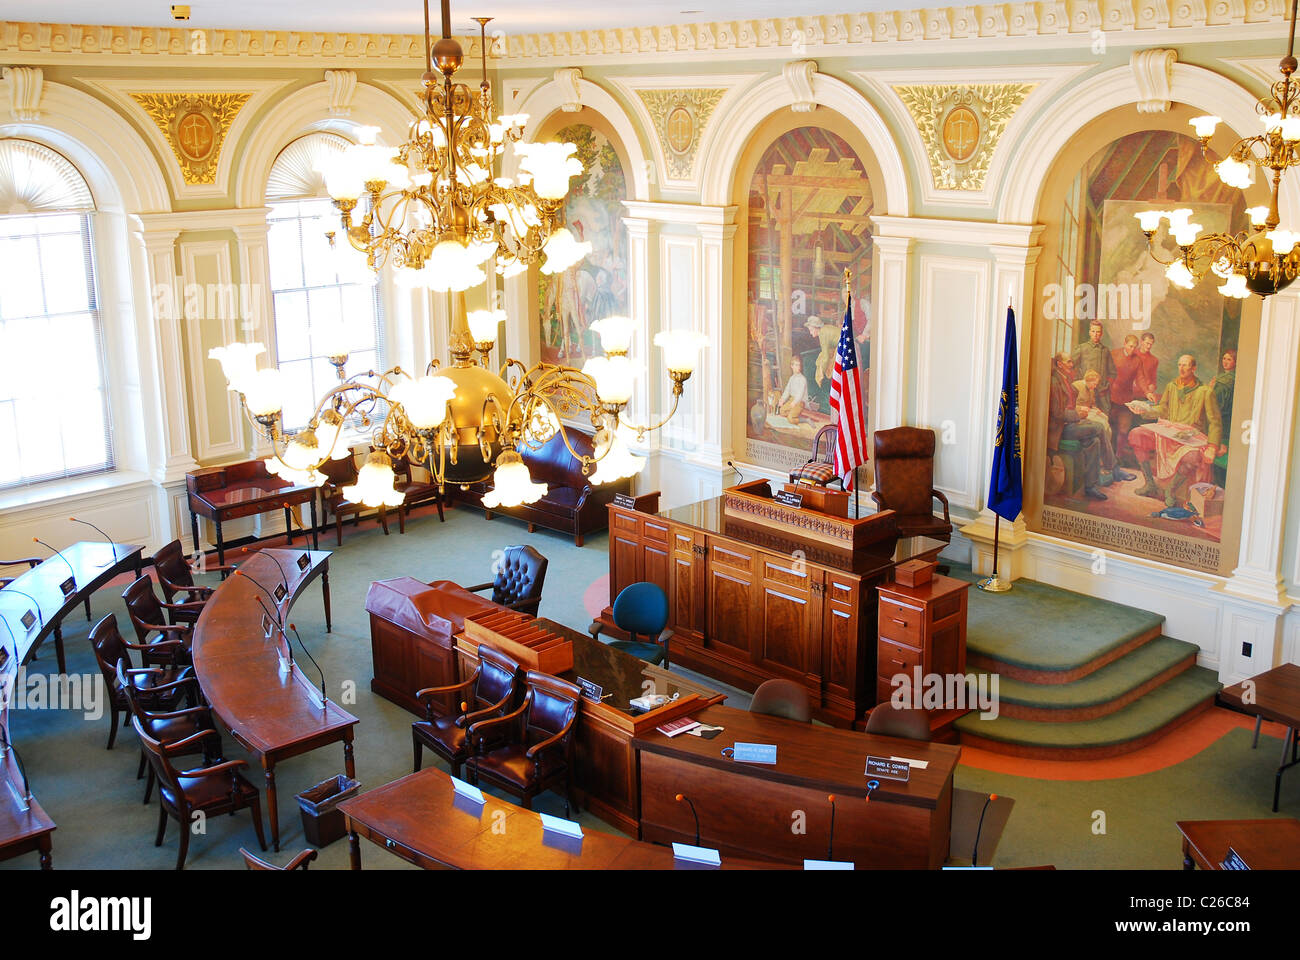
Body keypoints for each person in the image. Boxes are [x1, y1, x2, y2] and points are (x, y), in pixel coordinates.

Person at [1127, 354, 1225, 508]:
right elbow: (1163, 409)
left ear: (1194, 368)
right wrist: (1144, 411)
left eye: (1186, 365)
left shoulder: (1205, 391)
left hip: (1190, 437)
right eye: (1180, 364)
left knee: (1193, 457)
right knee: (1136, 434)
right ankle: (1150, 485)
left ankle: (1170, 490)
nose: (1182, 368)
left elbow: (1215, 422)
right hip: (1168, 431)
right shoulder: (1171, 386)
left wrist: (1212, 447)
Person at [1048, 353, 1108, 500]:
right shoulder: (1055, 382)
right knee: (1099, 428)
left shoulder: (1067, 380)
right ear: (1060, 364)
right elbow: (1056, 414)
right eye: (1068, 362)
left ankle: (1090, 487)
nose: (1071, 364)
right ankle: (1112, 467)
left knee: (1095, 441)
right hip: (1060, 429)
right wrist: (1077, 414)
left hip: (1072, 424)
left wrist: (1079, 413)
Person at [1073, 369, 1134, 483]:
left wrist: (1098, 411)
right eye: (1094, 384)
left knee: (1105, 421)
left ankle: (1104, 460)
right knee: (1101, 424)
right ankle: (1110, 465)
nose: (1095, 386)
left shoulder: (1091, 390)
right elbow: (1070, 406)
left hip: (1088, 412)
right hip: (1078, 415)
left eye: (1096, 384)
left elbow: (1092, 404)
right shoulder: (1076, 386)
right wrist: (1081, 408)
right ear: (1088, 380)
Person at [1109, 333, 1145, 466]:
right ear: (1125, 344)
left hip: (1126, 399)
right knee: (1111, 428)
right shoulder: (1114, 354)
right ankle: (1110, 457)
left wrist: (1147, 391)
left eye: (1135, 347)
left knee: (1124, 429)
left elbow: (1141, 378)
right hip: (1111, 397)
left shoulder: (1137, 360)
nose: (1132, 349)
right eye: (1130, 346)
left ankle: (1118, 455)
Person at [1070, 320, 1117, 415]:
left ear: (1101, 334)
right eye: (1093, 331)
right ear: (1089, 332)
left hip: (1102, 393)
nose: (1095, 334)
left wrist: (1106, 386)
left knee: (1103, 417)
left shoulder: (1105, 351)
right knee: (1085, 418)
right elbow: (1070, 367)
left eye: (1098, 332)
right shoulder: (1081, 348)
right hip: (1085, 393)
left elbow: (1113, 373)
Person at [778, 356, 809, 421]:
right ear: (792, 366)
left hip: (800, 402)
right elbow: (787, 390)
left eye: (799, 365)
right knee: (781, 411)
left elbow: (800, 394)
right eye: (796, 365)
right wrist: (782, 400)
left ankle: (805, 420)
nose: (798, 367)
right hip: (792, 400)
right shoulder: (791, 378)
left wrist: (794, 403)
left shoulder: (802, 379)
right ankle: (794, 413)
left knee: (791, 418)